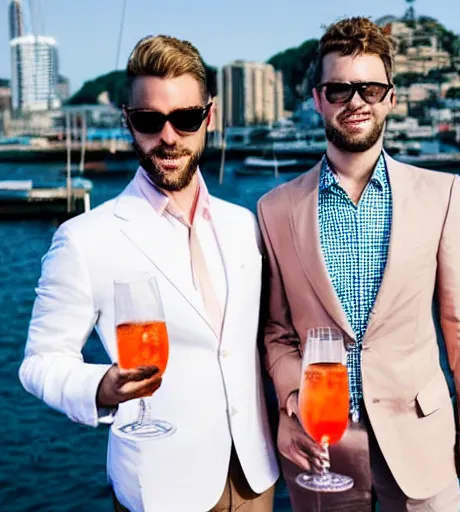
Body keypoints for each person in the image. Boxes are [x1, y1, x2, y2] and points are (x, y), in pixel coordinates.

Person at [19, 35, 278, 512]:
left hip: (255, 476)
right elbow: (39, 361)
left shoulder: (244, 226)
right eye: (148, 121)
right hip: (160, 488)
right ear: (127, 122)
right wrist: (101, 387)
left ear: (209, 117)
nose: (169, 137)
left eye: (186, 118)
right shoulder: (85, 239)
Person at [257, 17, 460, 512]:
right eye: (339, 89)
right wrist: (288, 400)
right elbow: (277, 331)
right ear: (319, 99)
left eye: (369, 87)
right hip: (321, 448)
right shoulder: (275, 208)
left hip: (421, 437)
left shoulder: (441, 194)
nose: (356, 101)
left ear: (391, 96)